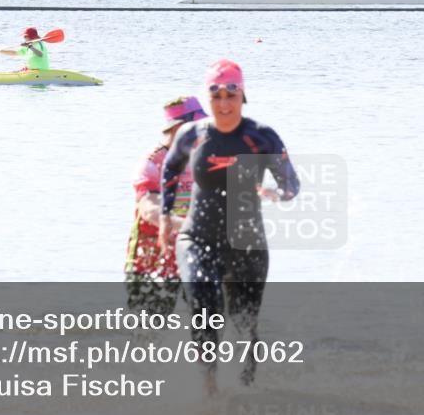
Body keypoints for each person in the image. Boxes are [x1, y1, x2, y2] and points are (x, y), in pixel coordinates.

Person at [160, 59, 299, 392]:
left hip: (246, 241)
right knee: (202, 304)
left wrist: (275, 193)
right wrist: (166, 217)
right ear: (207, 98)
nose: (223, 104)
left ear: (243, 94)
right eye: (216, 95)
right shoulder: (191, 134)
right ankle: (208, 388)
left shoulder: (261, 137)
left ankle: (247, 388)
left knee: (243, 322)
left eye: (230, 95)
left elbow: (292, 183)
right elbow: (169, 170)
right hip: (197, 236)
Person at [125, 96, 207, 315]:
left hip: (191, 254)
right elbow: (150, 208)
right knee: (149, 335)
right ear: (179, 128)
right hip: (151, 257)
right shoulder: (152, 162)